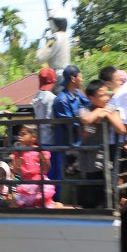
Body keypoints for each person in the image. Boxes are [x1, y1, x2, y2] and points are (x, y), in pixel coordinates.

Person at [79, 79, 127, 208]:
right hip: (87, 162)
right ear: (91, 98)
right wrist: (100, 112)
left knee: (108, 194)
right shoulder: (84, 109)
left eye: (107, 94)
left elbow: (121, 130)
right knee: (90, 198)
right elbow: (87, 119)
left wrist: (106, 113)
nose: (106, 98)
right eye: (101, 95)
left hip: (103, 160)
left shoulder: (111, 109)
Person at [52, 65, 91, 200]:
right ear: (73, 79)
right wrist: (88, 123)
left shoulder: (79, 95)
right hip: (67, 148)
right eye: (81, 76)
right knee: (67, 180)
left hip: (79, 145)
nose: (82, 79)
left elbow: (90, 106)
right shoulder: (62, 100)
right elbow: (72, 124)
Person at [11, 124, 56, 208]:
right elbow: (15, 169)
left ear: (33, 137)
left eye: (23, 134)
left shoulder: (40, 151)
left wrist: (44, 159)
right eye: (19, 134)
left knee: (43, 201)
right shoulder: (19, 152)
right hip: (26, 182)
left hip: (39, 182)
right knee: (25, 203)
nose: (19, 137)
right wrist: (18, 163)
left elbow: (47, 168)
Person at [35, 10, 70, 91]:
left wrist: (42, 40)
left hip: (57, 78)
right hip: (66, 76)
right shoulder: (65, 36)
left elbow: (39, 58)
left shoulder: (55, 37)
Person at [32, 67, 57, 147]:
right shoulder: (51, 97)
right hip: (51, 139)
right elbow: (50, 120)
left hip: (40, 138)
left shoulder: (37, 96)